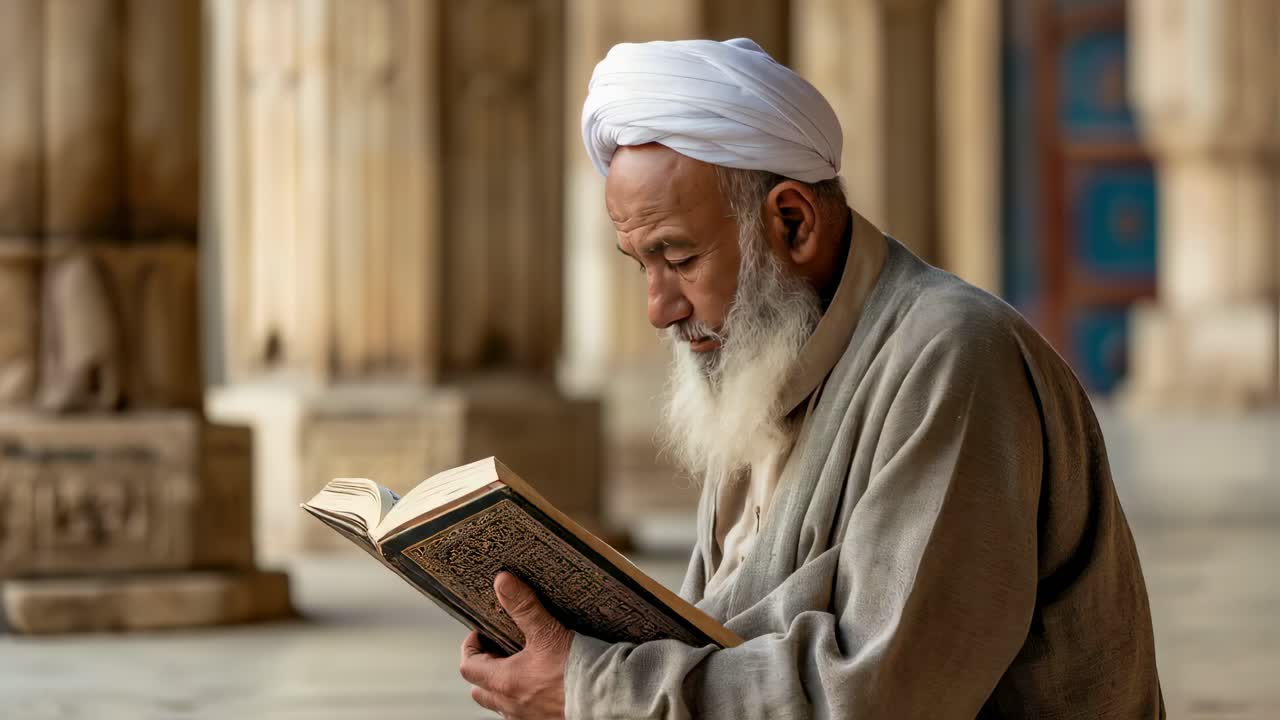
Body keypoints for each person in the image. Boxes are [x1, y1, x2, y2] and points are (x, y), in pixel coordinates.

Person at [459, 37, 1163, 719]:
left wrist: (595, 689)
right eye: (640, 264)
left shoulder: (952, 354)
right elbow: (715, 638)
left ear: (793, 223)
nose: (658, 308)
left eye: (678, 258)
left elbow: (881, 696)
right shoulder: (760, 367)